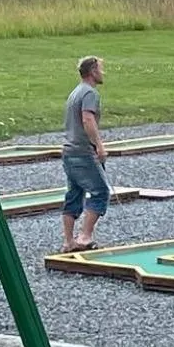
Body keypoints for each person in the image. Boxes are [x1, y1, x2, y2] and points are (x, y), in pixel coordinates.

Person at [62, 55, 109, 251]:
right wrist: (99, 146)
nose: (103, 72)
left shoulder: (75, 92)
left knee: (74, 193)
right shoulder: (90, 93)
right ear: (92, 72)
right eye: (100, 69)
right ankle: (85, 237)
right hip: (83, 152)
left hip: (68, 151)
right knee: (100, 192)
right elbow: (87, 120)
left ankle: (68, 241)